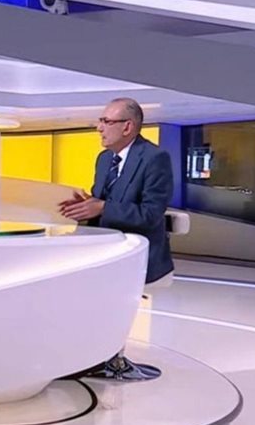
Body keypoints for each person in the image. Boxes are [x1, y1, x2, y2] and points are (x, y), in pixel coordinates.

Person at [58, 98, 174, 285]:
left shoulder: (155, 158)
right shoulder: (104, 158)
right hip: (103, 254)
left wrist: (103, 207)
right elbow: (102, 201)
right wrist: (85, 206)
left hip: (140, 260)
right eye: (100, 121)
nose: (99, 128)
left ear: (127, 127)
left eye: (106, 122)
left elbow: (150, 214)